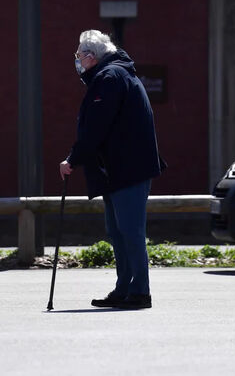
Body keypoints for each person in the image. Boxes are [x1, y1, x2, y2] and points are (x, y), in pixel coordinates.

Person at [59, 29, 166, 310]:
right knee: (118, 231)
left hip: (126, 169)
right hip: (119, 170)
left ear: (92, 57)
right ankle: (124, 288)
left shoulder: (109, 78)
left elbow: (96, 127)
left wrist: (73, 158)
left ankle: (140, 292)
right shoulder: (114, 75)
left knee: (130, 231)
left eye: (79, 56)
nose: (77, 61)